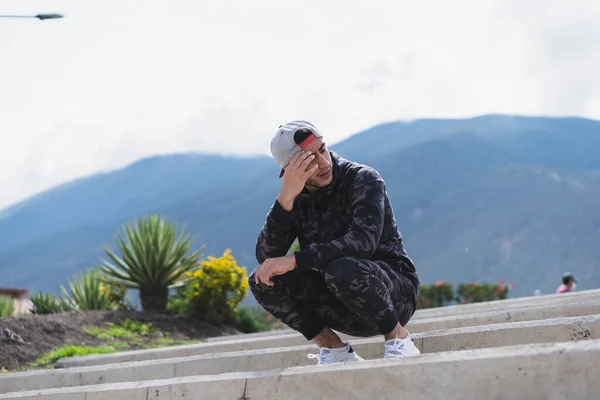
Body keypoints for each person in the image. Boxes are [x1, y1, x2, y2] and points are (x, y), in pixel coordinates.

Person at [248, 120, 421, 365]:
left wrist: (296, 260)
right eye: (309, 160)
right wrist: (286, 196)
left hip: (393, 293)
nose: (323, 163)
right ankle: (336, 351)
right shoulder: (296, 198)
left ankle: (399, 339)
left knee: (341, 268)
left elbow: (362, 243)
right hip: (340, 302)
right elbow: (267, 258)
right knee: (262, 279)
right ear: (290, 170)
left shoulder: (363, 179)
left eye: (322, 149)